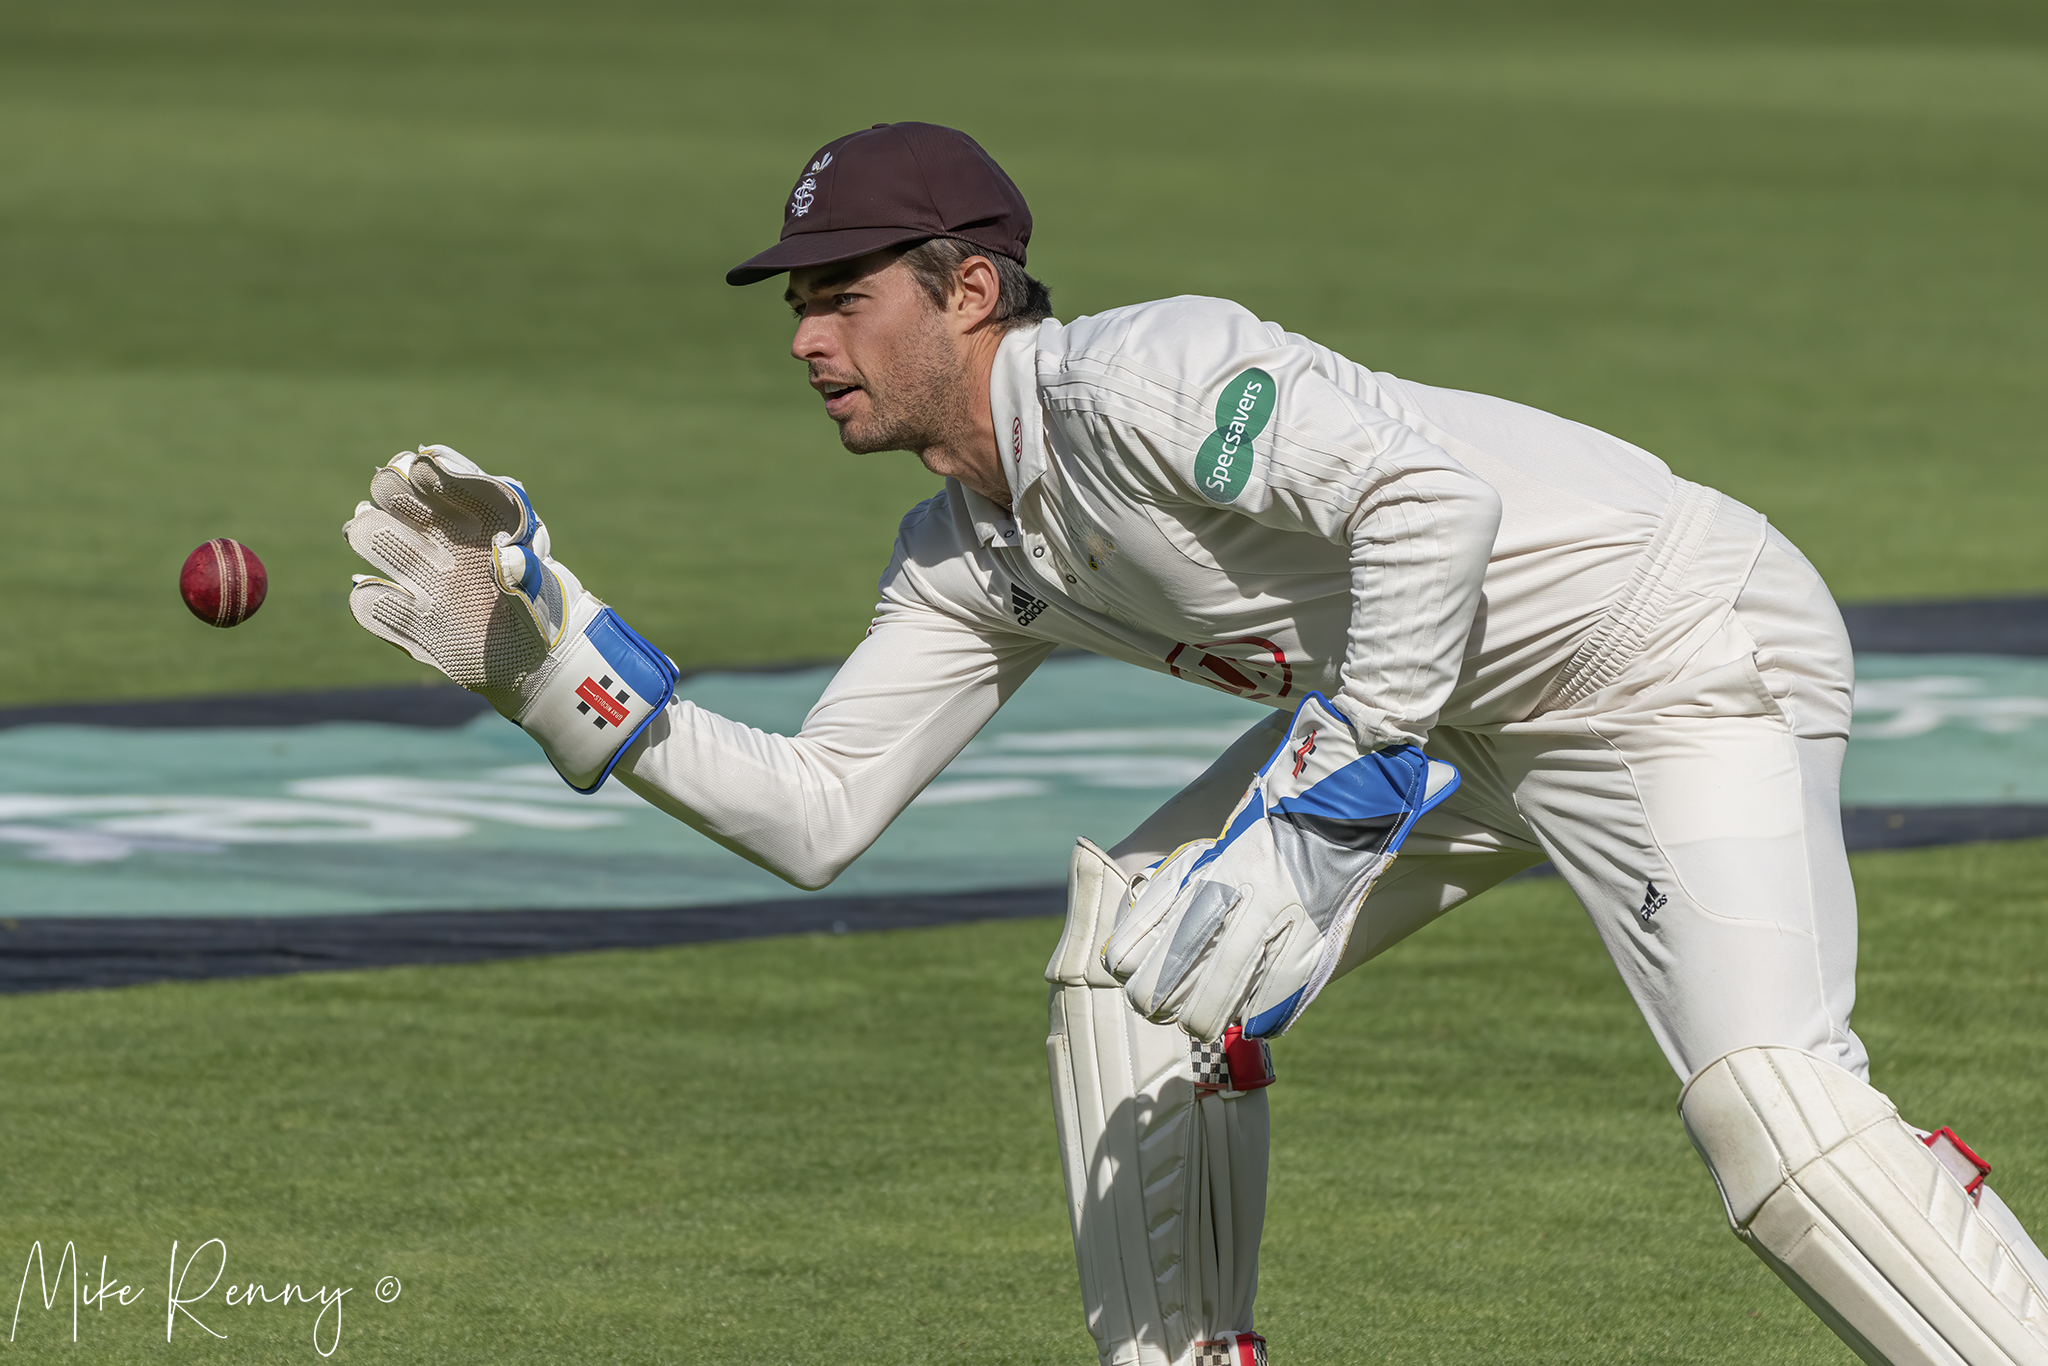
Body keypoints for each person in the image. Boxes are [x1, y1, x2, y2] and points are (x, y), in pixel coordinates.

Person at [343, 122, 2048, 1366]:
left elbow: (1429, 498)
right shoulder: (966, 554)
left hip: (1671, 646)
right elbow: (816, 811)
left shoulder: (1145, 374)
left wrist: (1349, 767)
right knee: (1130, 970)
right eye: (795, 299)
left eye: (840, 293)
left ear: (972, 287)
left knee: (1775, 1116)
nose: (803, 337)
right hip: (1444, 712)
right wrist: (551, 665)